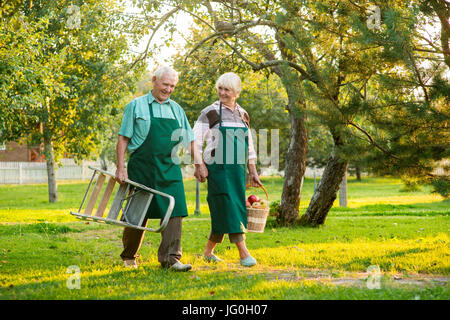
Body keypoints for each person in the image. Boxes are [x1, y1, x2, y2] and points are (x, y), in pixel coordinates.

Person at [115, 66, 196, 272]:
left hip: (169, 167)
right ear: (154, 80)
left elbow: (190, 140)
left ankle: (171, 259)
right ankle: (129, 255)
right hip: (142, 167)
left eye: (172, 86)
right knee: (137, 214)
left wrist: (200, 164)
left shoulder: (177, 109)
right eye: (165, 84)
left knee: (175, 209)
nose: (168, 89)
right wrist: (120, 168)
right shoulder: (136, 106)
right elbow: (123, 139)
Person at [193, 72, 262, 267]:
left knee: (228, 207)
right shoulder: (210, 112)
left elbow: (249, 147)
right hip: (218, 169)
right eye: (220, 88)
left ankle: (208, 252)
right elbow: (195, 142)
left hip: (237, 170)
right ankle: (243, 253)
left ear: (237, 92)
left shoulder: (243, 114)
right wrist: (200, 166)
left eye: (227, 89)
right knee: (229, 206)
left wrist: (253, 171)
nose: (222, 93)